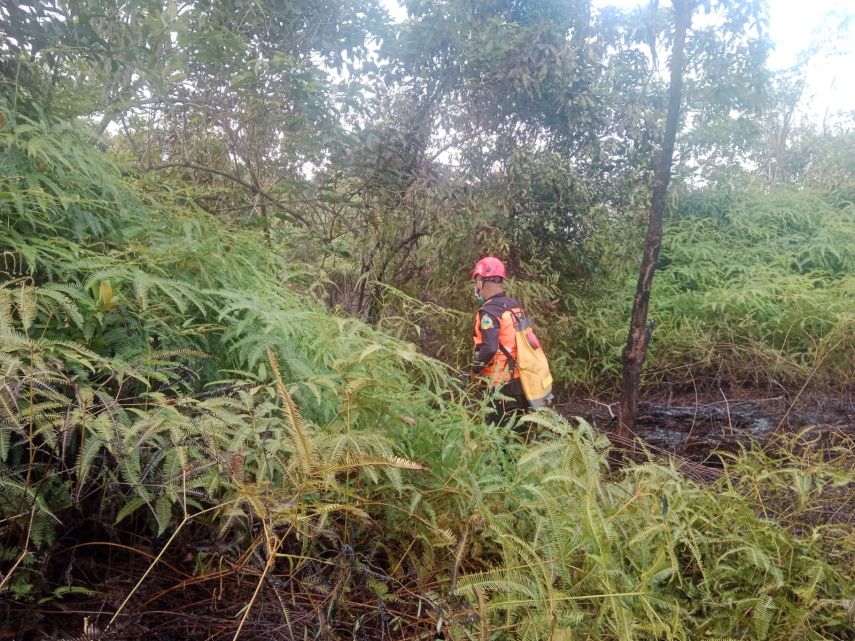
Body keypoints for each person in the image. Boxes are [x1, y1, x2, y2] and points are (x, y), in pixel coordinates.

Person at [469, 256, 529, 428]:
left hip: (499, 385)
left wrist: (474, 370)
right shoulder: (514, 306)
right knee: (516, 431)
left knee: (498, 434)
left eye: (477, 281)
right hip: (519, 381)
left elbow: (489, 348)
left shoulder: (489, 312)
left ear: (481, 281)